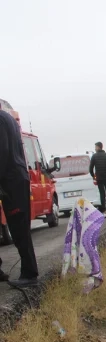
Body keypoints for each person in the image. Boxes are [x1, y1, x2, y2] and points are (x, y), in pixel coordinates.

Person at [0, 109, 39, 288]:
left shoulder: (1, 120)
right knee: (19, 227)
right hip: (15, 178)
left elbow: (3, 151)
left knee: (19, 229)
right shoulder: (8, 118)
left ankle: (30, 273)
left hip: (11, 181)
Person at [89, 141, 106, 214]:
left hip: (99, 178)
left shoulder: (94, 156)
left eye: (95, 147)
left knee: (102, 193)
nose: (95, 148)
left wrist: (93, 176)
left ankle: (103, 209)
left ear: (98, 147)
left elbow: (90, 168)